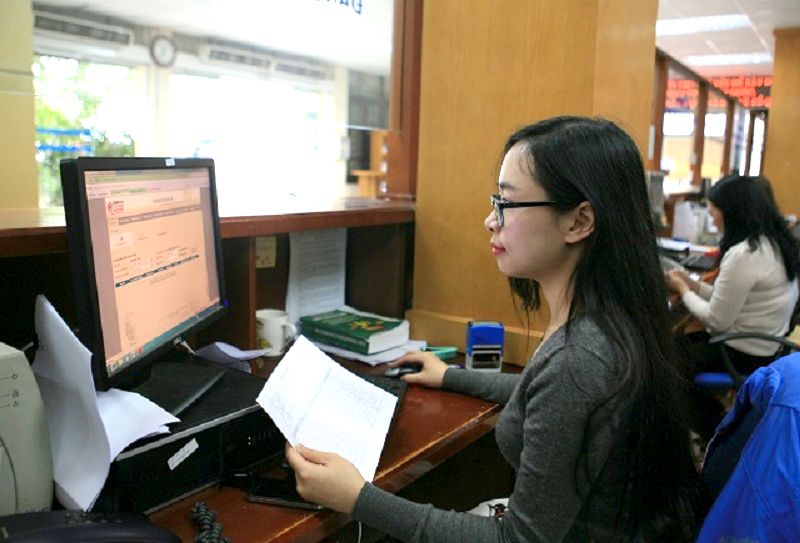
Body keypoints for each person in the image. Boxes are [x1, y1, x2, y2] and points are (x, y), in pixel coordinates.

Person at [285, 116, 706, 541]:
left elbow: (518, 539)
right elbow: (546, 397)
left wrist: (357, 498)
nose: (491, 220)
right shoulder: (609, 319)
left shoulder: (579, 358)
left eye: (507, 203)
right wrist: (450, 376)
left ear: (579, 222)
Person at [665, 174, 800, 376]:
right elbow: (728, 298)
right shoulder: (773, 243)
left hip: (740, 355)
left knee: (663, 356)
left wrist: (683, 290)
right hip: (764, 348)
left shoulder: (745, 255)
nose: (713, 221)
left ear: (731, 214)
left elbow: (716, 321)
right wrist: (694, 286)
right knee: (676, 342)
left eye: (714, 214)